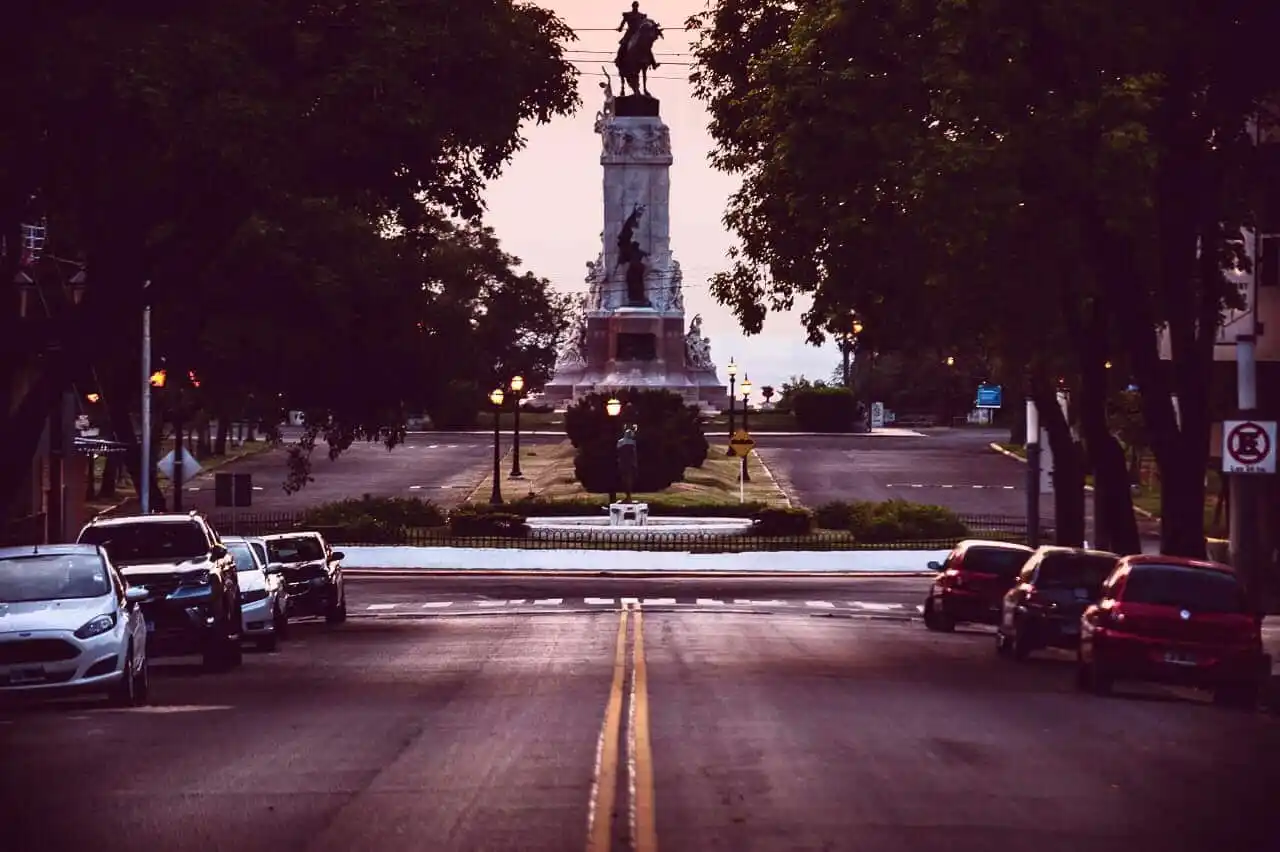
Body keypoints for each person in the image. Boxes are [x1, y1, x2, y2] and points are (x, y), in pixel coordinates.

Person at [616, 2, 660, 70]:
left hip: (632, 34)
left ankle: (618, 60)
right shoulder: (639, 15)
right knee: (646, 48)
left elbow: (621, 27)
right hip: (636, 34)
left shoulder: (629, 15)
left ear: (632, 6)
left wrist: (619, 29)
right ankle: (654, 64)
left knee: (624, 46)